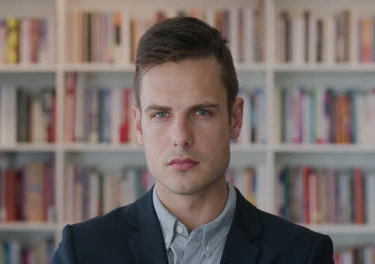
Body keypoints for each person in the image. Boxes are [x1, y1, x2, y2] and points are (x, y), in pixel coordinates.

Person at [52, 16, 334, 264]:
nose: (181, 137)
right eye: (161, 114)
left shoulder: (302, 254)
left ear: (235, 119)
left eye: (201, 112)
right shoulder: (82, 251)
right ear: (139, 125)